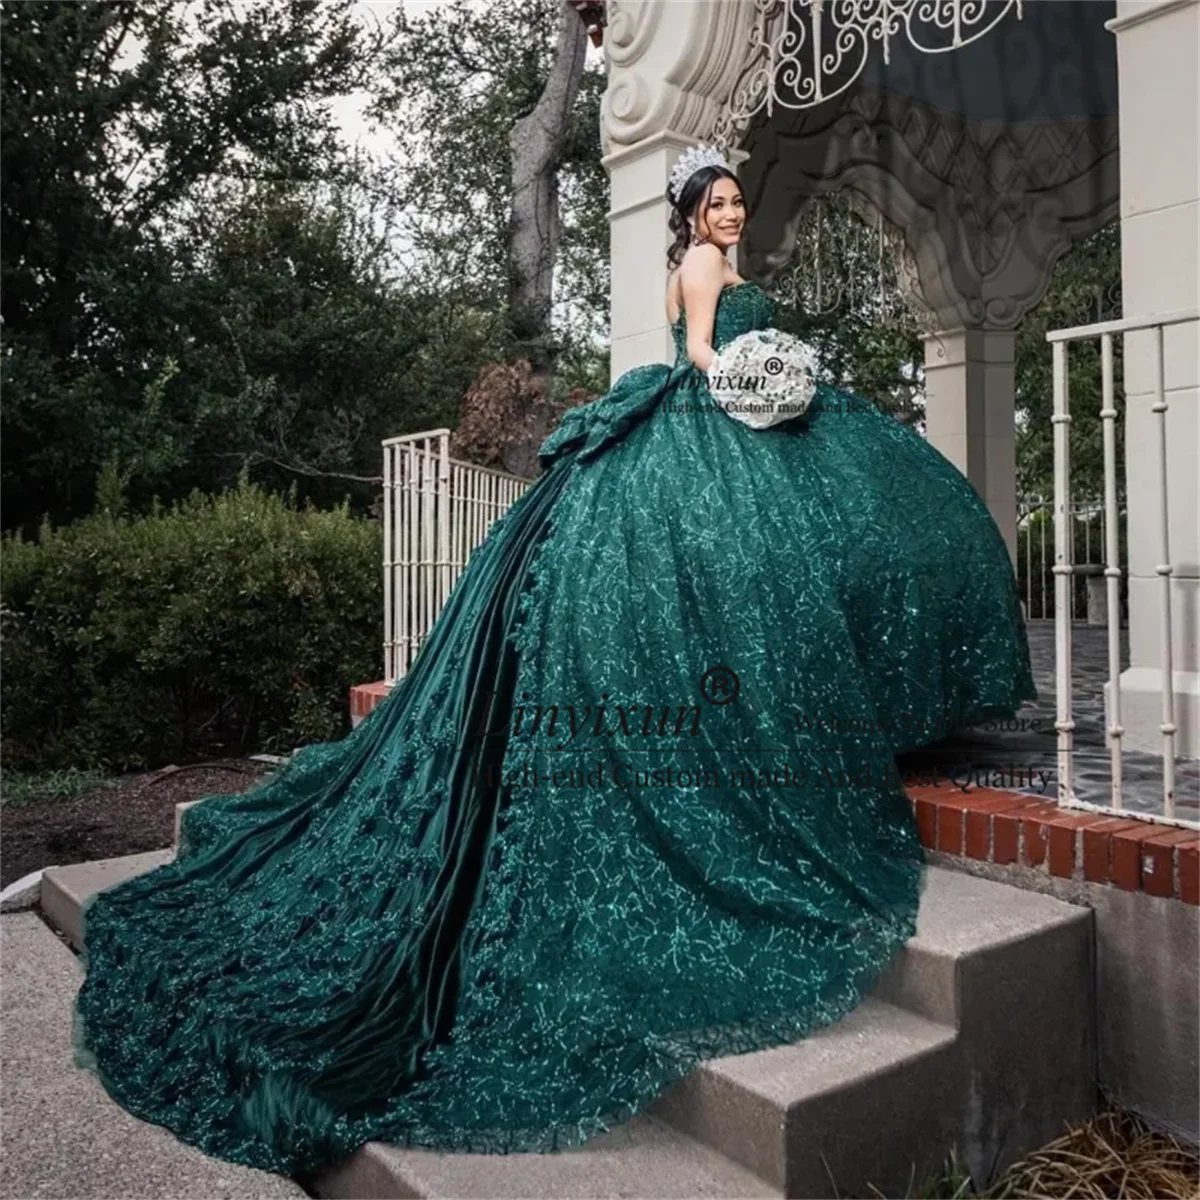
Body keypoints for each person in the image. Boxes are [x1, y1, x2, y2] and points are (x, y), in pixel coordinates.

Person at [71, 144, 1036, 1178]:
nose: (728, 215)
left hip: (744, 410)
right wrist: (768, 378)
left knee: (836, 546)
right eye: (714, 204)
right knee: (762, 566)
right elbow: (705, 356)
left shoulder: (719, 257)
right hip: (717, 411)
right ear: (688, 214)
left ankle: (871, 703)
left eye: (735, 203)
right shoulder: (701, 273)